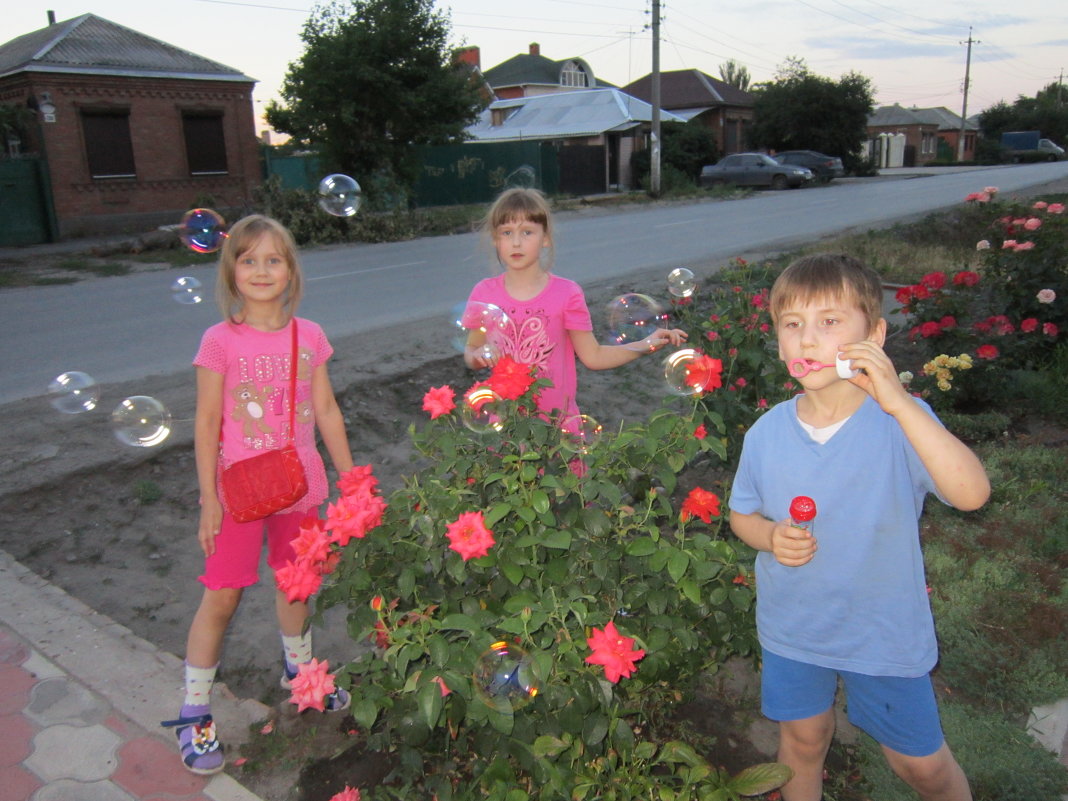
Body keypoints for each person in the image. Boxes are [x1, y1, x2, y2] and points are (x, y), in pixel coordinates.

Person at [728, 253, 990, 801]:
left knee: (922, 768)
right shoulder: (767, 432)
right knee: (801, 743)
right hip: (795, 626)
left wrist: (898, 402)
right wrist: (769, 536)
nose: (808, 340)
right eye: (792, 325)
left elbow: (971, 494)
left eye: (830, 322)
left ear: (874, 334)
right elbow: (742, 514)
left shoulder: (900, 423)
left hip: (883, 633)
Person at [163, 215, 355, 775]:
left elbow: (325, 410)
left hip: (298, 488)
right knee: (221, 596)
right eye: (249, 260)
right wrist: (209, 499)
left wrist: (350, 481)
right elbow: (205, 423)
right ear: (232, 272)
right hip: (237, 494)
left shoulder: (310, 336)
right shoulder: (219, 341)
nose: (262, 270)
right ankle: (194, 710)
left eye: (274, 259)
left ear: (290, 269)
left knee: (298, 583)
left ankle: (300, 671)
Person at [463, 187, 687, 420]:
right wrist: (479, 354)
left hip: (557, 430)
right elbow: (471, 353)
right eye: (506, 233)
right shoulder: (484, 293)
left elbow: (594, 356)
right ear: (495, 240)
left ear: (546, 238)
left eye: (527, 232)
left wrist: (645, 343)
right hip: (505, 429)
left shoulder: (566, 293)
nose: (516, 243)